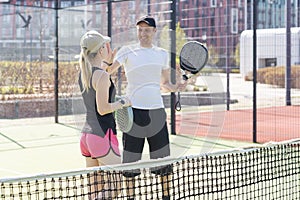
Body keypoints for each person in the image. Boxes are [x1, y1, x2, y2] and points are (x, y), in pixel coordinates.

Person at [107, 16, 186, 200]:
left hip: (157, 113)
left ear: (154, 32)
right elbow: (108, 72)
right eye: (140, 30)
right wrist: (107, 61)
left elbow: (165, 83)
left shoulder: (162, 54)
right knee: (130, 162)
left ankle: (166, 196)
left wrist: (177, 86)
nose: (143, 33)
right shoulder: (126, 51)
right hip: (132, 113)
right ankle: (131, 198)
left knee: (163, 160)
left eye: (147, 30)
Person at [78, 30, 130, 199]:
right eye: (105, 46)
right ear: (100, 50)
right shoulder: (101, 76)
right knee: (114, 187)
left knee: (94, 190)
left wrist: (108, 63)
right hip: (102, 136)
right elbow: (103, 108)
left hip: (86, 137)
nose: (108, 48)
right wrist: (123, 102)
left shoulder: (84, 73)